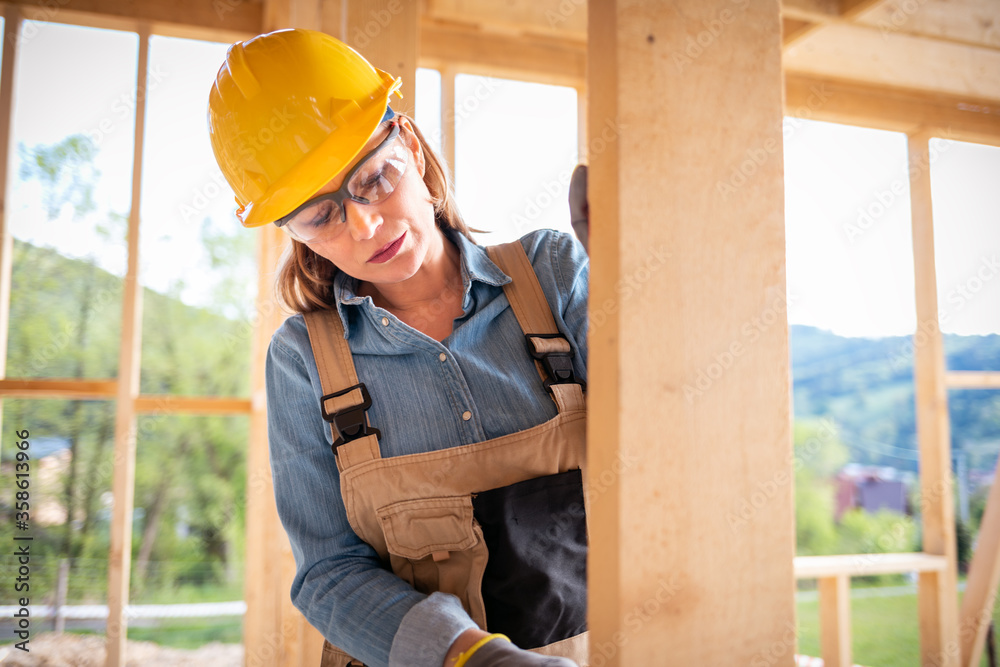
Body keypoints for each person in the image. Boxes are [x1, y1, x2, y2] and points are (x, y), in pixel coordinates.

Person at [208, 29, 590, 667]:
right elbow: (329, 573)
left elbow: (666, 445)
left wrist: (642, 291)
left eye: (374, 179)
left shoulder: (552, 273)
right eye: (319, 215)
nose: (365, 224)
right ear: (291, 230)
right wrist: (474, 658)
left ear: (409, 144)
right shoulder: (304, 362)